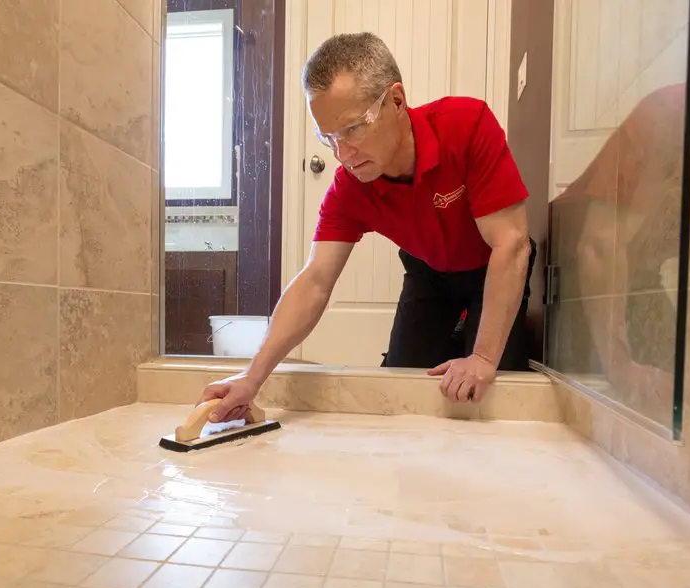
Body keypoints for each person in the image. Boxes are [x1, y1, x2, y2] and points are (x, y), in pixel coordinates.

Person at [201, 32, 536, 424]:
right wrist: (251, 378)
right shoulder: (350, 187)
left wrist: (482, 357)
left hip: (491, 264)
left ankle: (472, 337)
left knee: (493, 390)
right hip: (429, 273)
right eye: (328, 137)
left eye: (353, 129)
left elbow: (511, 244)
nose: (343, 155)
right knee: (396, 385)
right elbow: (315, 280)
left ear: (396, 100)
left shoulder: (466, 125)